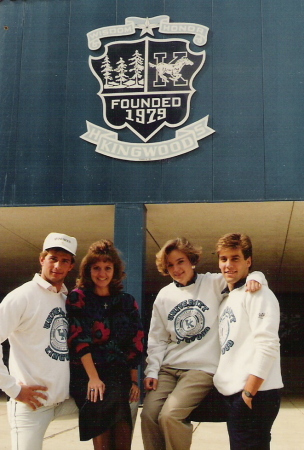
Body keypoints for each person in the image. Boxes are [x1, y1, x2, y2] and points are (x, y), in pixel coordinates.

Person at [141, 237, 266, 450]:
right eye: (170, 265)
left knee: (170, 415)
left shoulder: (213, 283)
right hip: (168, 368)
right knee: (148, 415)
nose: (176, 268)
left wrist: (258, 277)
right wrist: (152, 371)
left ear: (191, 260)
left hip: (201, 369)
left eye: (180, 261)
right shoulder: (164, 295)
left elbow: (241, 272)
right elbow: (157, 339)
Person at [0, 232, 78, 450]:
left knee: (121, 402)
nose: (57, 266)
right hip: (31, 405)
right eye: (53, 258)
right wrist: (13, 389)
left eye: (65, 261)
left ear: (71, 266)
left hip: (65, 402)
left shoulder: (65, 299)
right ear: (42, 259)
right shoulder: (22, 296)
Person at [66, 239, 144, 450]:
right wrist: (93, 378)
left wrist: (134, 381)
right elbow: (78, 338)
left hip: (118, 373)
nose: (102, 273)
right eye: (96, 268)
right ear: (88, 270)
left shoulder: (126, 301)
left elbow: (135, 341)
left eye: (107, 268)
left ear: (115, 270)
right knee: (102, 396)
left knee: (119, 394)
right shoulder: (78, 297)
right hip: (87, 373)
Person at [213, 233, 283, 450]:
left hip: (256, 394)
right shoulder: (229, 298)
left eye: (235, 258)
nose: (228, 265)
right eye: (223, 259)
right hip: (235, 393)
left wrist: (248, 393)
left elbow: (268, 345)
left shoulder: (258, 294)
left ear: (248, 261)